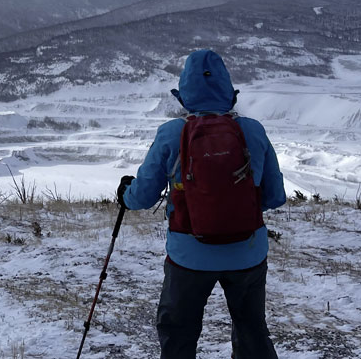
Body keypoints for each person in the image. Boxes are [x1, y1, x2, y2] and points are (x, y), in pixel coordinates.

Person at [119, 49, 286, 359]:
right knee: (251, 328)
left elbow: (142, 197)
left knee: (178, 329)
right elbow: (275, 197)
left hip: (189, 255)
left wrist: (125, 193)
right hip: (247, 251)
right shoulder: (253, 131)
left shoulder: (171, 134)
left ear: (183, 97)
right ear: (230, 95)